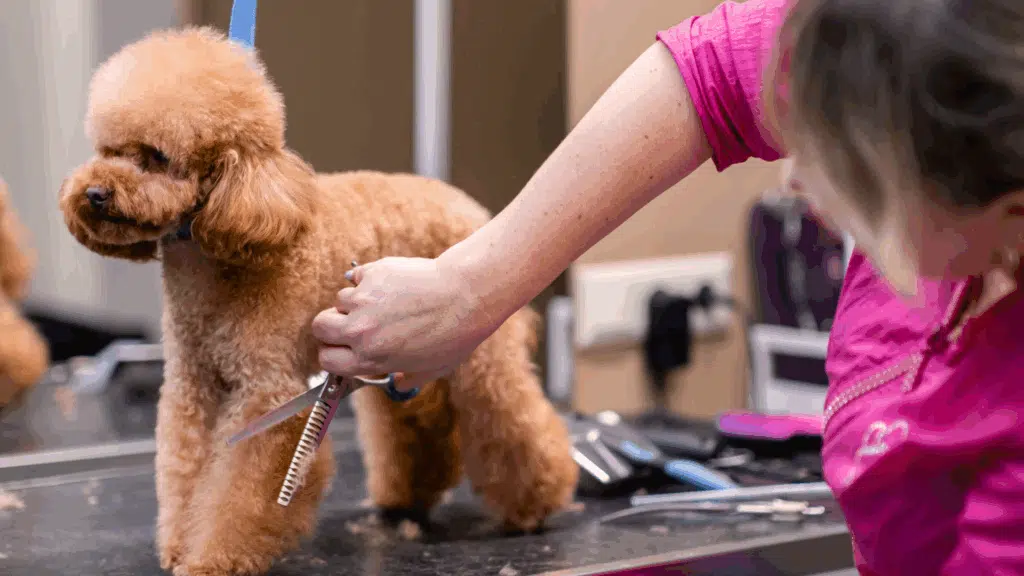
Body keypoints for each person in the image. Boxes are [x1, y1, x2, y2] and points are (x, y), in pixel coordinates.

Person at [314, 0, 1024, 572]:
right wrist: (468, 289)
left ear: (1008, 212)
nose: (794, 177)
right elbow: (714, 71)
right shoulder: (907, 31)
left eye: (858, 173)